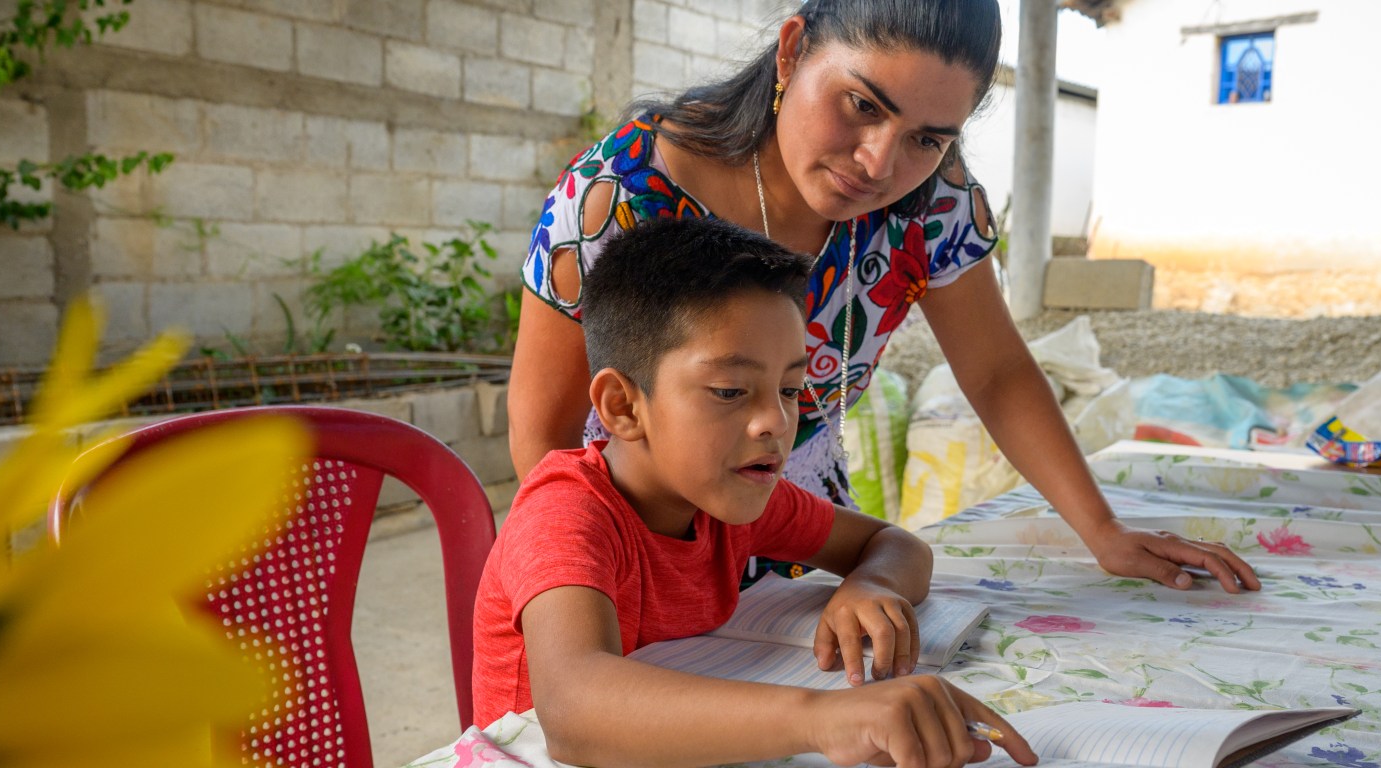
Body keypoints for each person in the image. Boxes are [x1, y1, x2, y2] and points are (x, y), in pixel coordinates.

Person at [509, 0, 1260, 593]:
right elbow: (542, 436)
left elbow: (995, 371)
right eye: (863, 105)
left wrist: (1102, 529)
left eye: (928, 138)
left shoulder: (934, 201)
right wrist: (641, 577)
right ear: (793, 50)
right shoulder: (619, 192)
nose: (879, 163)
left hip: (807, 545)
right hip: (633, 552)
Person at [472, 217, 1039, 768]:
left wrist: (872, 584)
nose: (775, 420)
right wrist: (825, 719)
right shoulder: (565, 511)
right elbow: (575, 711)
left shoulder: (729, 498)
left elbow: (895, 543)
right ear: (623, 406)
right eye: (729, 390)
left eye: (791, 389)